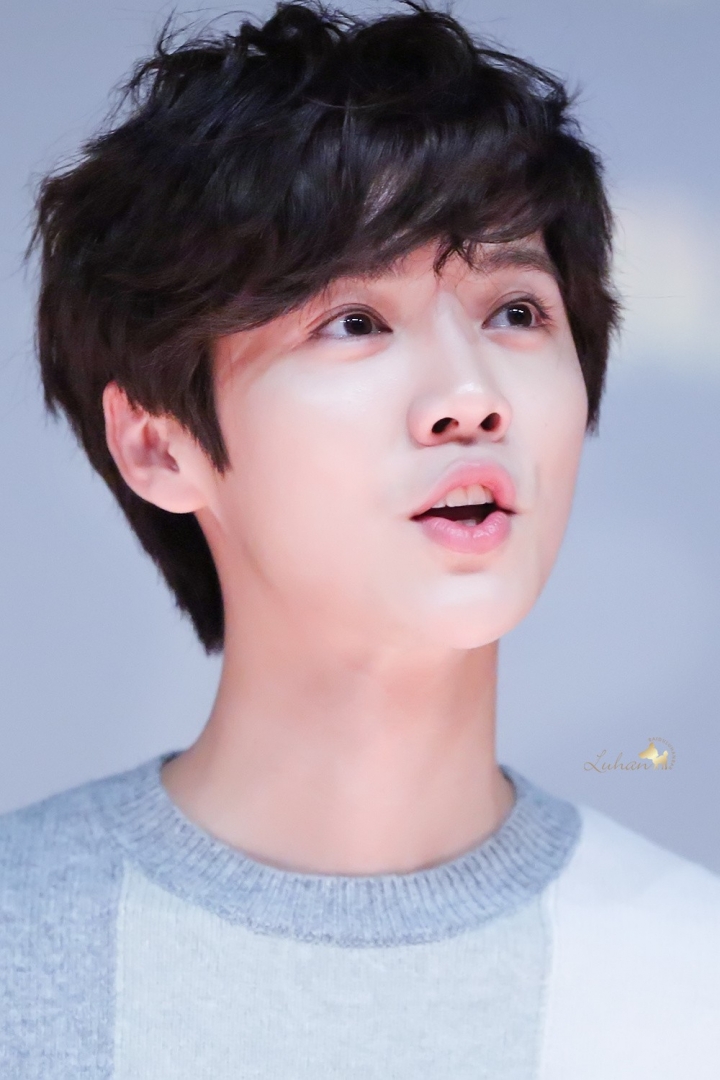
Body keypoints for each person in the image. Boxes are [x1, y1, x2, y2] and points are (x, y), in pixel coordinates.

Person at [1, 2, 718, 1076]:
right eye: (354, 323)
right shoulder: (20, 947)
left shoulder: (691, 981)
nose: (470, 396)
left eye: (516, 311)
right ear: (157, 445)